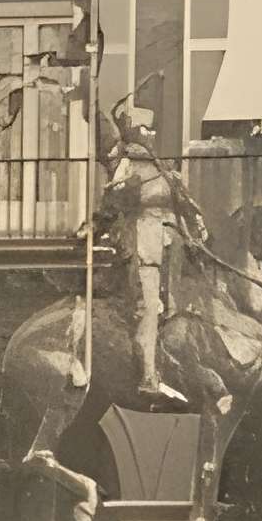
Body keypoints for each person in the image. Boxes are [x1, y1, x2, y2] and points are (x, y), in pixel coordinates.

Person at [95, 102, 207, 409]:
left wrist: (196, 225)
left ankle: (175, 369)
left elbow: (187, 204)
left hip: (172, 244)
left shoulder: (164, 167)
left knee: (176, 310)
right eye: (144, 128)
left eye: (151, 129)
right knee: (147, 308)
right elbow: (112, 204)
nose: (150, 133)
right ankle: (148, 377)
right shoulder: (126, 165)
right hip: (143, 242)